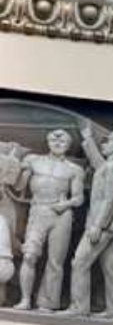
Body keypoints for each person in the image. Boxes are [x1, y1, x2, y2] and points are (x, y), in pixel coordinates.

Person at [63, 125, 113, 318]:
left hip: (103, 224)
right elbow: (98, 164)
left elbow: (111, 199)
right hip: (112, 225)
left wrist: (97, 226)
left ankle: (79, 307)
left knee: (79, 263)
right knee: (111, 269)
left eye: (108, 141)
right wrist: (87, 138)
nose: (105, 144)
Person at [14, 130, 85, 311]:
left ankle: (47, 302)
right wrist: (22, 170)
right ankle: (25, 299)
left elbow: (79, 198)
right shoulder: (34, 161)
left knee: (55, 261)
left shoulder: (74, 169)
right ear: (48, 141)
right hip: (38, 209)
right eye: (54, 139)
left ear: (68, 145)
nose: (58, 143)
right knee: (29, 255)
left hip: (62, 214)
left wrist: (65, 204)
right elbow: (19, 186)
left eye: (63, 141)